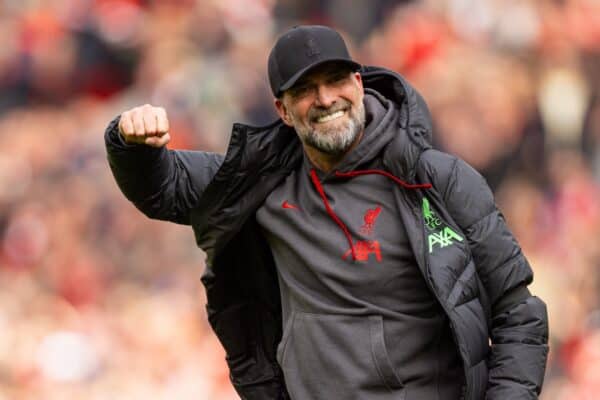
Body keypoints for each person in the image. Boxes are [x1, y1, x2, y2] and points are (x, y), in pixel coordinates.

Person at [105, 25, 548, 400]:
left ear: (359, 83)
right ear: (282, 109)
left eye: (336, 79)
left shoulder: (439, 181)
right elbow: (163, 187)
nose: (325, 98)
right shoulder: (259, 183)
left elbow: (518, 312)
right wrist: (129, 142)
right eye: (304, 89)